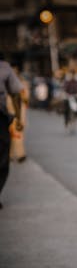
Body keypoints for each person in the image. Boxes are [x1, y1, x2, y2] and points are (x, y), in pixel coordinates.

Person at [0, 58, 23, 209]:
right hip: (0, 118)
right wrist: (18, 118)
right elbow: (16, 93)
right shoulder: (4, 67)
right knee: (2, 158)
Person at [7, 64, 30, 163]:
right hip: (8, 111)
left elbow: (26, 97)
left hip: (19, 112)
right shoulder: (5, 83)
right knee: (9, 134)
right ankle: (11, 154)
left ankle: (20, 154)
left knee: (18, 133)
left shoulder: (22, 83)